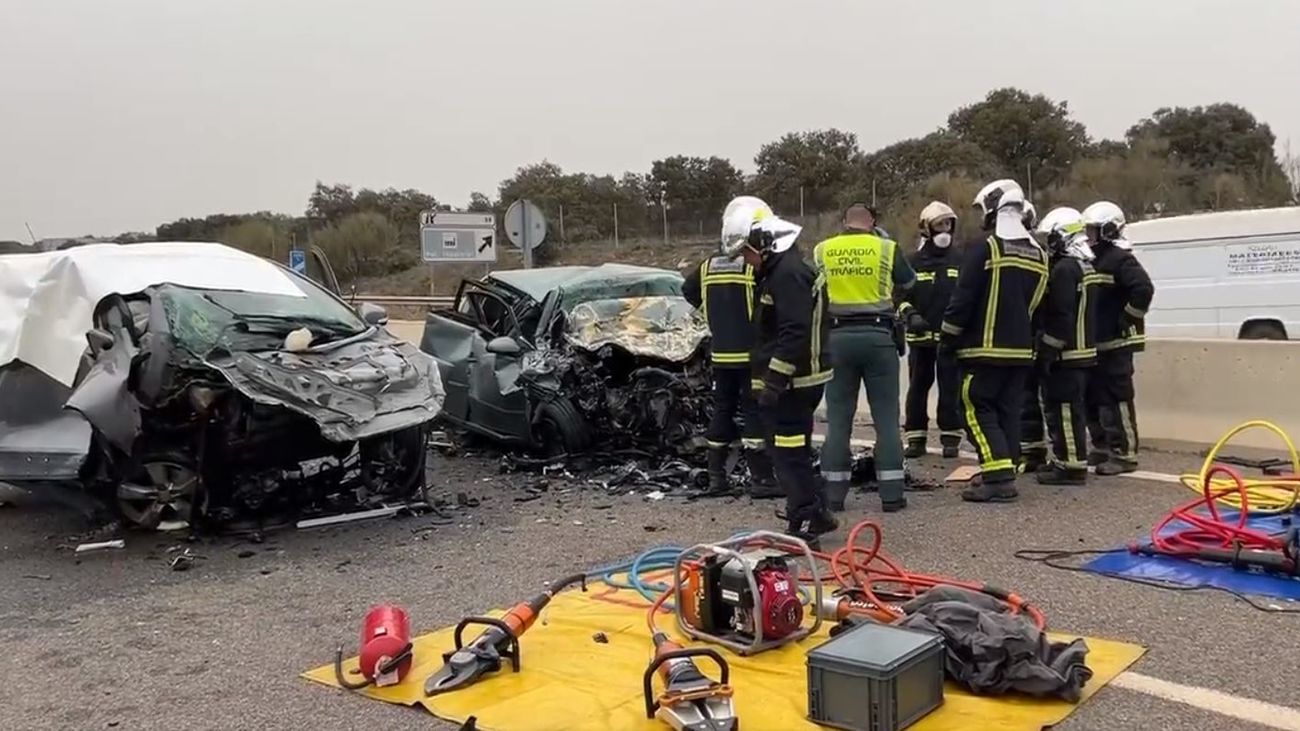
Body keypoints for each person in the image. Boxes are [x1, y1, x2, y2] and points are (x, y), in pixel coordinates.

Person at [722, 205, 837, 542]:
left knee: (787, 454)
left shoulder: (786, 275)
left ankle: (803, 519)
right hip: (796, 380)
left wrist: (775, 378)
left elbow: (793, 332)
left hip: (793, 383)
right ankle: (815, 512)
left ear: (763, 243)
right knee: (793, 451)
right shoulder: (781, 271)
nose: (745, 260)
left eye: (746, 252)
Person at [939, 179, 1049, 503]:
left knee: (974, 406)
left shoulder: (986, 248)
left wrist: (948, 336)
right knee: (1008, 412)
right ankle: (1004, 470)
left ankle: (999, 477)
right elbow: (1039, 305)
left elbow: (964, 297)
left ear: (994, 207)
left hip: (983, 349)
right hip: (1020, 351)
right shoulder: (1040, 254)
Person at [813, 203, 916, 513]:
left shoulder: (822, 250)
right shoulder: (886, 247)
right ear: (872, 222)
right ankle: (892, 495)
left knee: (839, 419)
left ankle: (833, 496)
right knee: (885, 418)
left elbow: (812, 290)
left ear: (844, 222)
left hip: (837, 339)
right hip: (878, 337)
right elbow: (909, 283)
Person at [683, 196, 780, 498]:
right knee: (752, 412)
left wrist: (713, 312)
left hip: (721, 352)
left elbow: (688, 291)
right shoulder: (752, 267)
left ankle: (716, 478)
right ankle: (761, 480)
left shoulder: (708, 266)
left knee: (722, 411)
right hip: (750, 353)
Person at [1081, 201, 1154, 475]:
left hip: (1117, 343)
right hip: (1095, 344)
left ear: (1108, 230)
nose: (1088, 236)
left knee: (1116, 398)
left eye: (1092, 231)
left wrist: (1127, 318)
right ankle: (1102, 447)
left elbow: (1144, 289)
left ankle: (1124, 453)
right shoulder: (1090, 259)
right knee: (1093, 397)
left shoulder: (1120, 259)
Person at [1032, 207, 1100, 485]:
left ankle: (1071, 466)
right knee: (1074, 409)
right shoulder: (1088, 266)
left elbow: (1061, 314)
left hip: (1067, 353)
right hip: (1086, 352)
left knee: (1063, 409)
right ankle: (1065, 459)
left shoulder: (1063, 269)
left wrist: (1047, 351)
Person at [898, 202, 963, 459]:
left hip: (949, 339)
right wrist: (909, 314)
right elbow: (898, 296)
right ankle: (916, 438)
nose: (945, 229)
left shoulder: (960, 259)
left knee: (951, 389)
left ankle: (950, 438)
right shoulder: (913, 262)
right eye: (939, 224)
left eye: (948, 224)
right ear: (927, 228)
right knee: (918, 387)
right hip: (921, 340)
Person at [1017, 200, 1051, 472]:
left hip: (1030, 335)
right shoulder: (1036, 252)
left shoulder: (1034, 253)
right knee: (1025, 396)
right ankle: (1031, 449)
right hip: (1028, 334)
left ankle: (1033, 450)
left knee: (1029, 395)